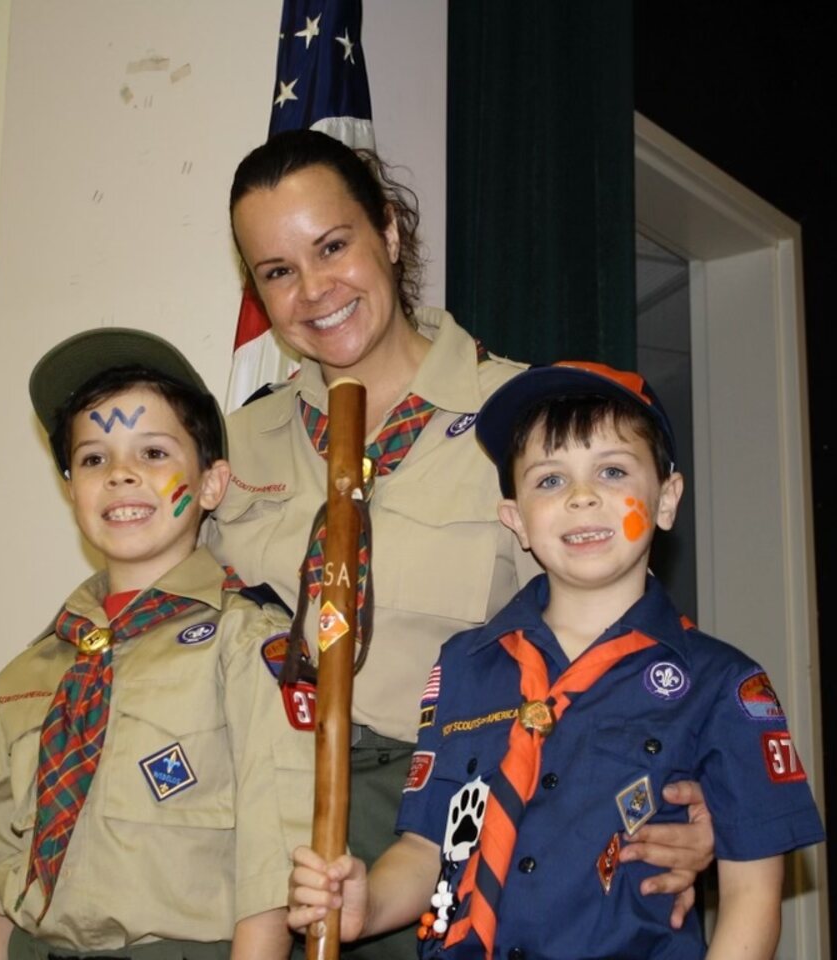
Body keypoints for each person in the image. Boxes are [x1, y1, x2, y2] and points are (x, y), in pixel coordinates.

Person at [207, 129, 716, 958]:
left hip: (447, 813)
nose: (312, 290)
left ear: (391, 232)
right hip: (264, 829)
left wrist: (679, 796)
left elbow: (618, 642)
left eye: (333, 246)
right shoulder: (233, 447)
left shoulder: (529, 420)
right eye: (277, 271)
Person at [287, 361, 826, 959]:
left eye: (613, 471)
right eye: (549, 480)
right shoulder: (464, 665)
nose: (582, 497)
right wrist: (368, 904)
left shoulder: (723, 683)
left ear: (667, 500)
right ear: (515, 519)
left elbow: (752, 896)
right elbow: (430, 849)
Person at [0, 329, 314, 960]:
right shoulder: (34, 668)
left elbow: (274, 862)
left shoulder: (248, 643)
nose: (120, 475)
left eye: (151, 453)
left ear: (210, 484)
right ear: (72, 489)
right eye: (93, 459)